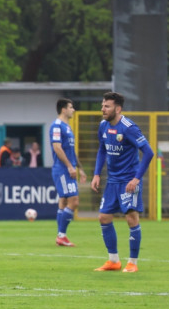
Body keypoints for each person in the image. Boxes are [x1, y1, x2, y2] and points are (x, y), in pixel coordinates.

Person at [90, 91, 155, 273]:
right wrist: (96, 174)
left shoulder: (129, 127)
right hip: (112, 181)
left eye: (107, 106)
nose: (103, 109)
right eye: (102, 105)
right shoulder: (103, 126)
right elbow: (102, 150)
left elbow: (149, 152)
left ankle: (132, 262)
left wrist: (136, 179)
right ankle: (113, 261)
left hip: (128, 181)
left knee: (131, 218)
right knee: (103, 216)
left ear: (118, 109)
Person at [51, 98, 83, 247]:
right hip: (63, 169)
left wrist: (80, 168)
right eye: (71, 107)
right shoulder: (57, 126)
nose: (73, 110)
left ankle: (60, 236)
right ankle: (61, 235)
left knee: (63, 201)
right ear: (63, 109)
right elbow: (57, 147)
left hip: (68, 168)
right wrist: (70, 167)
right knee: (74, 201)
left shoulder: (67, 127)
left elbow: (71, 151)